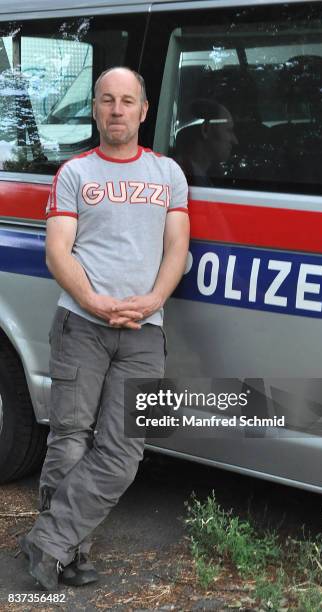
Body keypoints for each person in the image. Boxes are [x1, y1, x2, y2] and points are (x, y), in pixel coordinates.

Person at [18, 66, 190, 591]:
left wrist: (152, 300)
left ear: (143, 110)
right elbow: (57, 250)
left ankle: (48, 539)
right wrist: (95, 302)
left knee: (123, 450)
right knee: (70, 439)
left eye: (127, 101)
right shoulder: (75, 173)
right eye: (107, 100)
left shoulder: (168, 174)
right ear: (94, 109)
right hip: (80, 324)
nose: (117, 110)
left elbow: (177, 248)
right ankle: (70, 554)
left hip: (145, 328)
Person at [175, 98, 237, 186]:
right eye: (229, 130)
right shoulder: (182, 178)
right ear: (206, 130)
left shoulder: (195, 175)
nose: (235, 141)